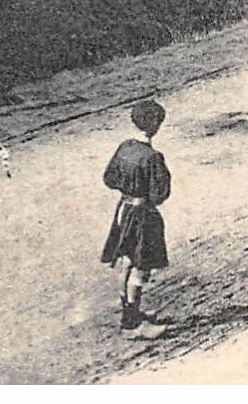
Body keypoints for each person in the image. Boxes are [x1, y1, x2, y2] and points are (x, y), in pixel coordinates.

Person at [101, 100, 173, 339]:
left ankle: (131, 312)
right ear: (155, 124)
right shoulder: (153, 157)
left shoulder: (124, 147)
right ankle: (132, 324)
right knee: (141, 266)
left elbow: (109, 179)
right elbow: (159, 194)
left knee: (126, 261)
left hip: (124, 209)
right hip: (143, 215)